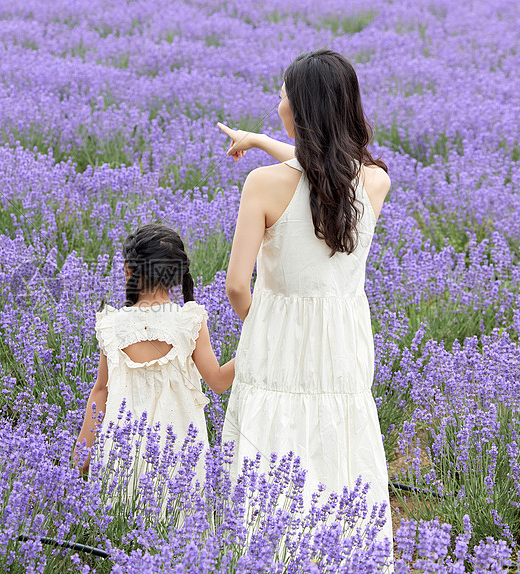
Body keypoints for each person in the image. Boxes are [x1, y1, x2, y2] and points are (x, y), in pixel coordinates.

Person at [217, 49, 393, 546]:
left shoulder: (262, 185)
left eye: (282, 97)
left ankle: (265, 550)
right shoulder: (376, 182)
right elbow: (322, 173)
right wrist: (261, 142)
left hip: (277, 334)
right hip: (343, 338)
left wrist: (266, 325)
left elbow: (235, 285)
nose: (278, 106)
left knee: (271, 440)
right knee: (338, 437)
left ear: (301, 110)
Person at [73, 223, 235, 505]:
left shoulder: (110, 323)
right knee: (180, 535)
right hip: (180, 449)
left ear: (128, 270)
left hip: (120, 449)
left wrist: (82, 456)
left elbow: (101, 391)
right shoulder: (190, 320)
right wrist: (253, 351)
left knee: (118, 531)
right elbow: (219, 382)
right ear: (176, 275)